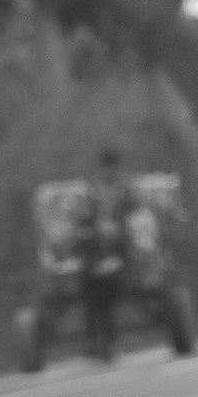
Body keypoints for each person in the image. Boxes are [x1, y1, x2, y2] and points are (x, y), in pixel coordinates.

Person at [77, 148, 135, 363]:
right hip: (94, 262)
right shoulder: (94, 189)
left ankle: (107, 344)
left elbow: (131, 212)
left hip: (114, 257)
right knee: (94, 304)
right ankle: (94, 344)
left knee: (106, 306)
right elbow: (85, 218)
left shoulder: (124, 187)